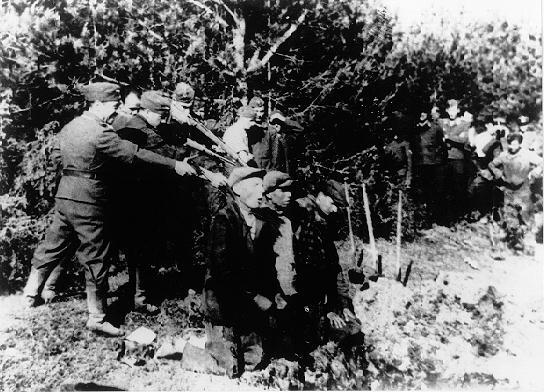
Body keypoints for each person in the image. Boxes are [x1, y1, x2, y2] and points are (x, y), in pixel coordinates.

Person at [22, 82, 197, 336]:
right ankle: (97, 316)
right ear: (97, 104)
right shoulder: (100, 132)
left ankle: (29, 295)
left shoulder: (71, 126)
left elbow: (57, 158)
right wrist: (174, 165)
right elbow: (134, 153)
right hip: (89, 199)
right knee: (96, 256)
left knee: (52, 245)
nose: (115, 112)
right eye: (113, 106)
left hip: (65, 194)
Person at [184, 167, 277, 378]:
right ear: (237, 189)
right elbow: (222, 273)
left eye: (262, 186)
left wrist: (271, 296)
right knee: (229, 368)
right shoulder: (223, 220)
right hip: (224, 304)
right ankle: (192, 353)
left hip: (249, 306)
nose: (262, 192)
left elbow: (267, 268)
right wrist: (254, 297)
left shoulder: (262, 223)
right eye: (255, 185)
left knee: (254, 362)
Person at [289, 180, 362, 371]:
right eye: (333, 203)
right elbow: (304, 277)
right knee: (321, 341)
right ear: (320, 195)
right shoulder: (303, 220)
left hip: (319, 302)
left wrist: (343, 305)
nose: (335, 210)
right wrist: (327, 311)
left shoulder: (323, 224)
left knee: (351, 327)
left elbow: (333, 269)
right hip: (303, 302)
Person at [488, 133, 543, 251]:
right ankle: (514, 241)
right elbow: (491, 164)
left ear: (519, 144)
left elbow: (541, 162)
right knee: (510, 215)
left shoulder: (526, 154)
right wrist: (497, 172)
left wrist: (535, 171)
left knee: (525, 215)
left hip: (523, 189)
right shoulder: (504, 155)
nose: (512, 147)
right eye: (510, 144)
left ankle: (528, 243)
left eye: (515, 144)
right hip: (509, 190)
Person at [413, 110, 447, 224]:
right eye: (419, 112)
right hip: (420, 164)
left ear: (427, 114)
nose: (421, 115)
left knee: (434, 192)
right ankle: (423, 219)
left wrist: (439, 162)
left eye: (423, 113)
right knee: (422, 192)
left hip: (433, 164)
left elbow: (442, 147)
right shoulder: (415, 128)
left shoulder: (436, 128)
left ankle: (435, 219)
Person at [440, 99, 472, 220]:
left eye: (454, 109)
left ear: (458, 110)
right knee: (444, 188)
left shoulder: (464, 124)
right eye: (449, 109)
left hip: (458, 159)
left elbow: (464, 140)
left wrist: (448, 137)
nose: (452, 112)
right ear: (447, 110)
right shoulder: (443, 122)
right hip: (444, 159)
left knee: (458, 188)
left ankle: (459, 217)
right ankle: (445, 217)